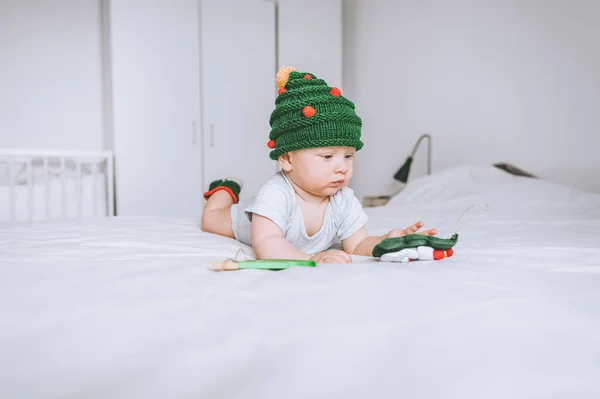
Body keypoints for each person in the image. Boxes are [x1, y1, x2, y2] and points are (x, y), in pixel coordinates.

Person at [200, 66, 437, 264]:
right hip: (246, 225)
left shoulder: (343, 199)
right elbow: (267, 243)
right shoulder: (276, 194)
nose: (342, 167)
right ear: (287, 159)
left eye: (348, 156)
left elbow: (358, 244)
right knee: (211, 219)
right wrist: (311, 258)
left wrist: (387, 241)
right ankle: (225, 189)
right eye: (327, 157)